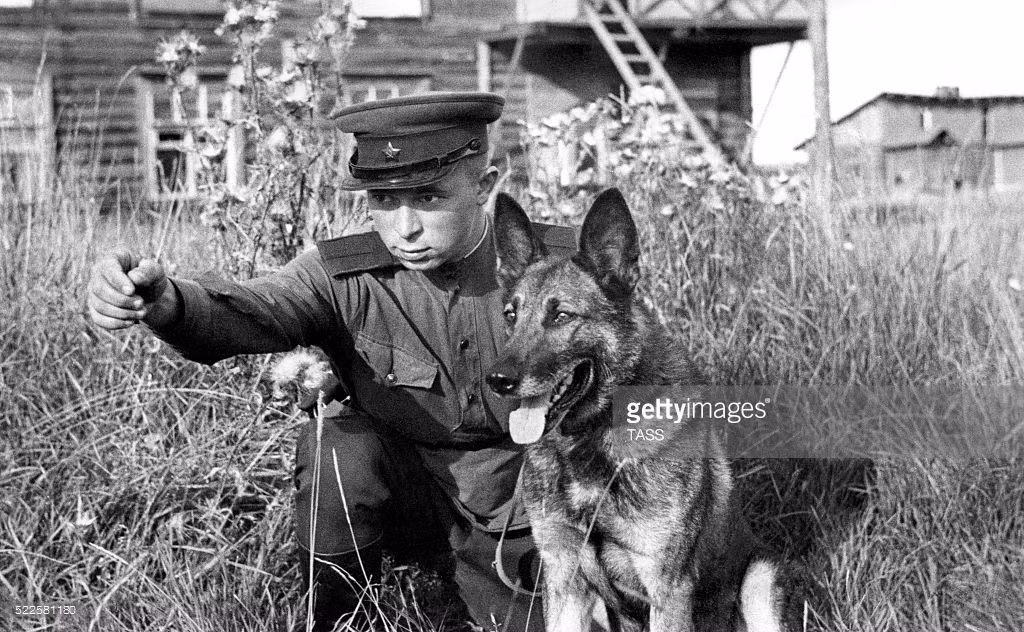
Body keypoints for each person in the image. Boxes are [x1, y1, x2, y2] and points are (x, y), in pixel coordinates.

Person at [87, 92, 575, 631]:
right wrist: (167, 303)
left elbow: (646, 397)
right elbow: (256, 311)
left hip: (532, 504)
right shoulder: (344, 274)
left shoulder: (563, 270)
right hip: (408, 495)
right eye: (384, 199)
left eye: (429, 196)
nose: (404, 227)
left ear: (485, 186)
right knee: (336, 446)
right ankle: (343, 619)